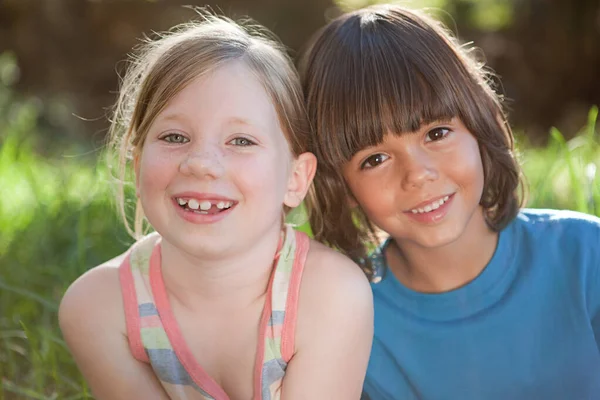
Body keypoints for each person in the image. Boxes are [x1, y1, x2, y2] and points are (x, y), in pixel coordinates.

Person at [58, 11, 373, 400]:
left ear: (295, 179)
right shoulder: (99, 309)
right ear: (137, 165)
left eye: (241, 141)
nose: (201, 163)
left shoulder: (329, 295)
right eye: (174, 136)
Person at [299, 4, 600, 399]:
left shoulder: (585, 258)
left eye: (437, 133)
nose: (418, 173)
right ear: (340, 186)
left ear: (482, 121)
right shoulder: (349, 322)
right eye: (374, 159)